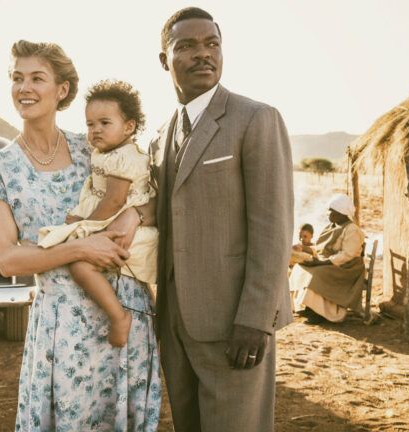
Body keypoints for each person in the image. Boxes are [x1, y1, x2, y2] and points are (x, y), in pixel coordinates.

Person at [0, 40, 161, 431]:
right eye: (17, 78)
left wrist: (133, 216)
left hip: (126, 309)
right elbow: (8, 260)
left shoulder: (95, 146)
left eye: (37, 78)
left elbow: (155, 198)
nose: (24, 87)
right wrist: (81, 247)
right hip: (63, 325)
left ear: (62, 90)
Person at [149, 7, 294, 432]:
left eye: (212, 44)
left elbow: (273, 227)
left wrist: (255, 318)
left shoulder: (255, 118)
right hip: (175, 326)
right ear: (165, 60)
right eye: (187, 46)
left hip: (236, 325)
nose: (203, 54)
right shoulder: (162, 134)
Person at [38, 80, 158, 347]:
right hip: (112, 221)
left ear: (129, 126)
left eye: (105, 123)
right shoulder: (105, 154)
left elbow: (114, 201)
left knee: (81, 265)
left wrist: (85, 224)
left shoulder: (124, 157)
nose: (96, 130)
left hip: (123, 226)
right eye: (90, 124)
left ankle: (118, 317)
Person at [290, 194, 366, 324]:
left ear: (341, 213)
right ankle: (307, 307)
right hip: (330, 262)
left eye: (331, 211)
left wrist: (322, 262)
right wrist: (304, 249)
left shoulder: (352, 230)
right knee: (300, 267)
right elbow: (321, 248)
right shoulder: (332, 226)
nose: (328, 213)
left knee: (317, 274)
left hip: (346, 267)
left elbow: (347, 255)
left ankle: (320, 313)